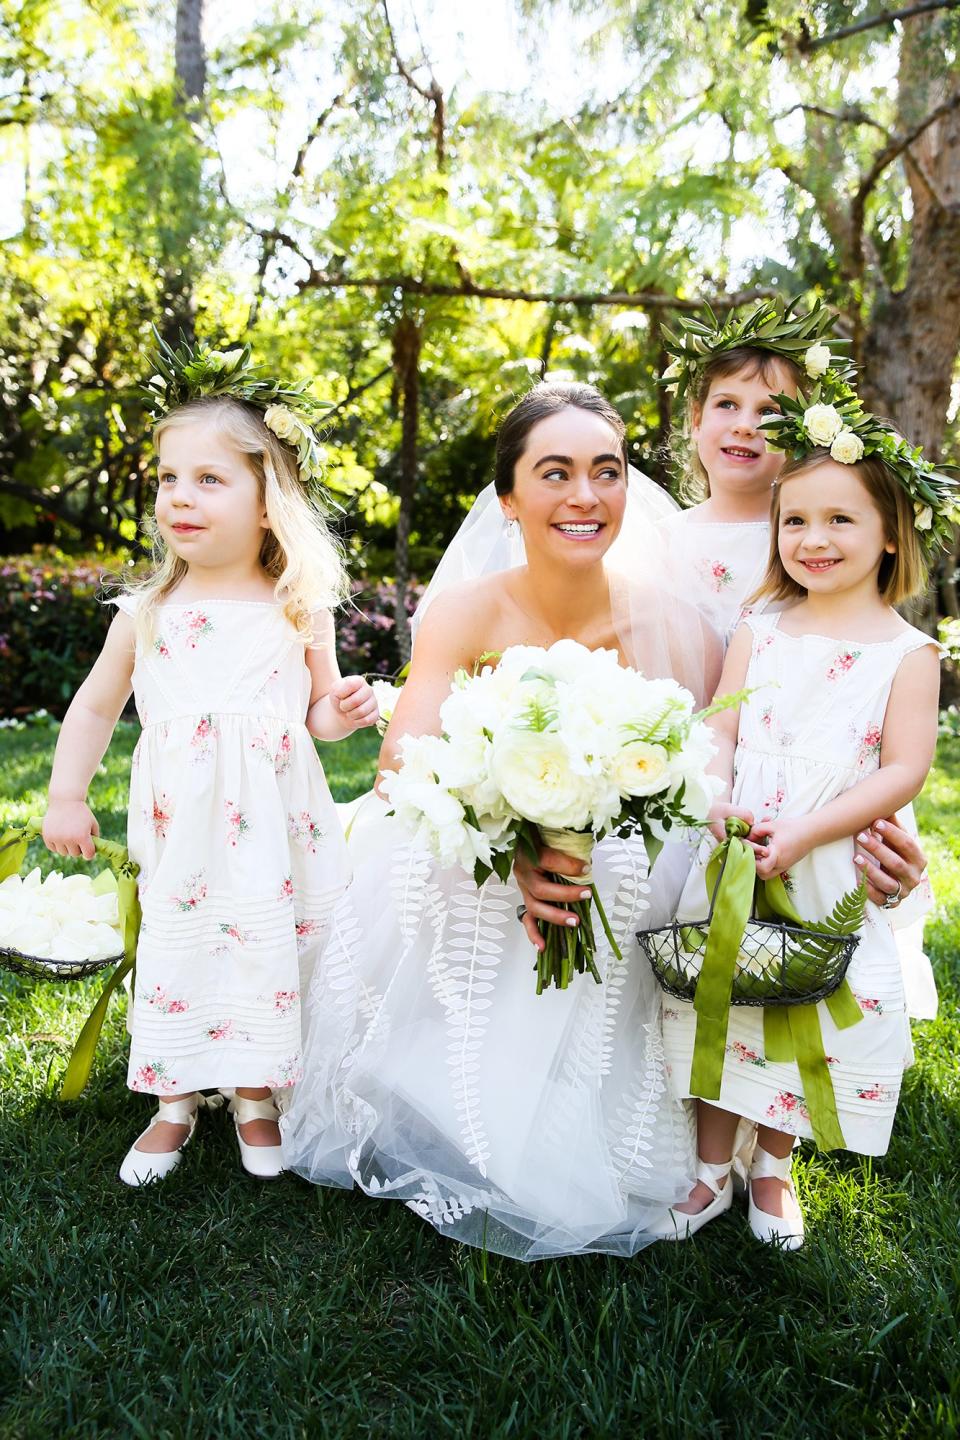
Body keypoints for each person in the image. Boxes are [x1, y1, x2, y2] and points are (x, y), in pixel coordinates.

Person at [282, 381, 722, 1259]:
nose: (585, 496)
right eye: (554, 473)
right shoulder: (468, 608)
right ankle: (456, 1086)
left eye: (608, 471)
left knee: (632, 869)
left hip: (623, 854)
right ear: (511, 498)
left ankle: (579, 1094)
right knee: (429, 854)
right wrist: (515, 840)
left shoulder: (676, 624)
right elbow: (401, 760)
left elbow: (705, 772)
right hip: (488, 843)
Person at [42, 339, 378, 1186]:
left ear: (269, 503)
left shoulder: (298, 606)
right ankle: (175, 1099)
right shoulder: (148, 610)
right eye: (167, 478)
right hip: (183, 822)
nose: (179, 498)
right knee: (180, 945)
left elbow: (316, 714)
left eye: (208, 479)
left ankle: (257, 1091)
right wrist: (65, 794)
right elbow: (93, 706)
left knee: (264, 944)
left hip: (274, 821)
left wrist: (339, 712)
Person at [658, 382, 954, 1248]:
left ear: (891, 535)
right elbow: (720, 724)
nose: (814, 541)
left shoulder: (908, 651)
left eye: (841, 522)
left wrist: (813, 832)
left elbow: (905, 766)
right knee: (724, 996)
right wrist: (716, 796)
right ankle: (711, 1168)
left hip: (824, 856)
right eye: (796, 523)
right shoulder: (764, 624)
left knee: (801, 1008)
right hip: (741, 844)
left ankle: (773, 1164)